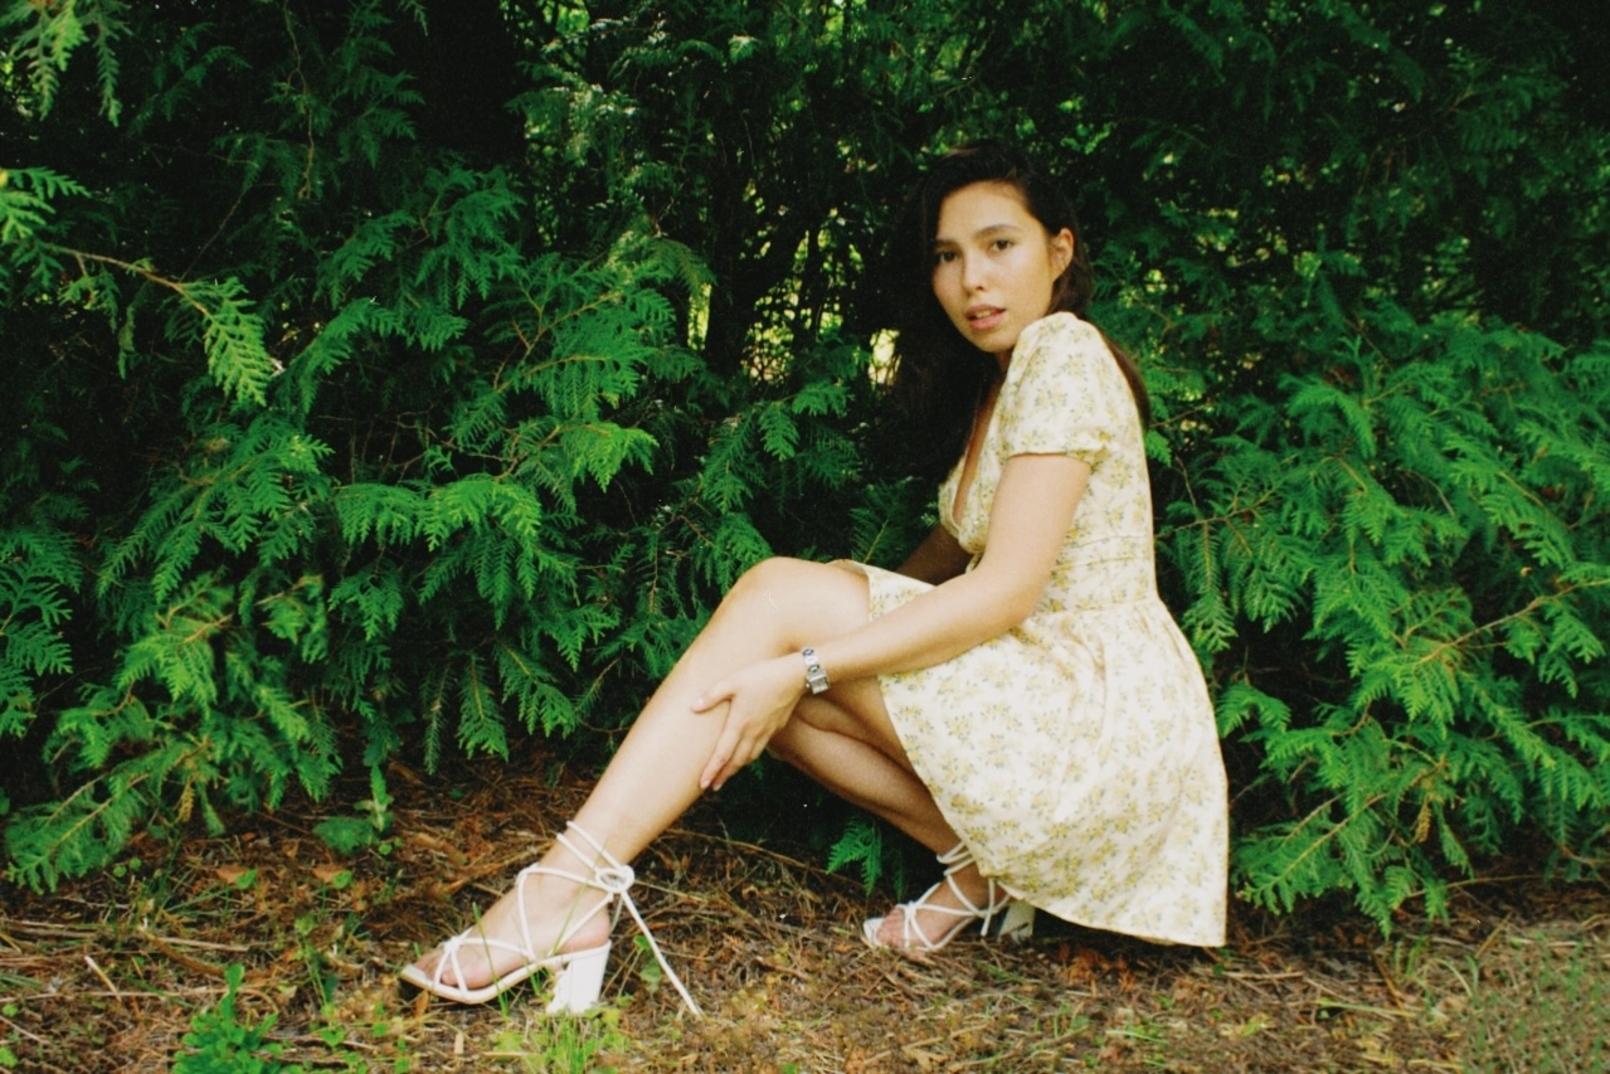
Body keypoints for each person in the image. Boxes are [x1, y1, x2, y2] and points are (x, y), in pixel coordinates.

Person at [401, 143, 1229, 1016]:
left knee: (778, 615)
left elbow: (1004, 591)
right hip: (1051, 690)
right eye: (947, 256)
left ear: (1059, 252)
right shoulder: (1004, 381)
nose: (972, 280)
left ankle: (562, 892)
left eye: (999, 246)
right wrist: (829, 620)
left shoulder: (1064, 352)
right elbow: (946, 556)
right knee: (762, 685)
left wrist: (808, 649)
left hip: (1098, 720)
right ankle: (980, 872)